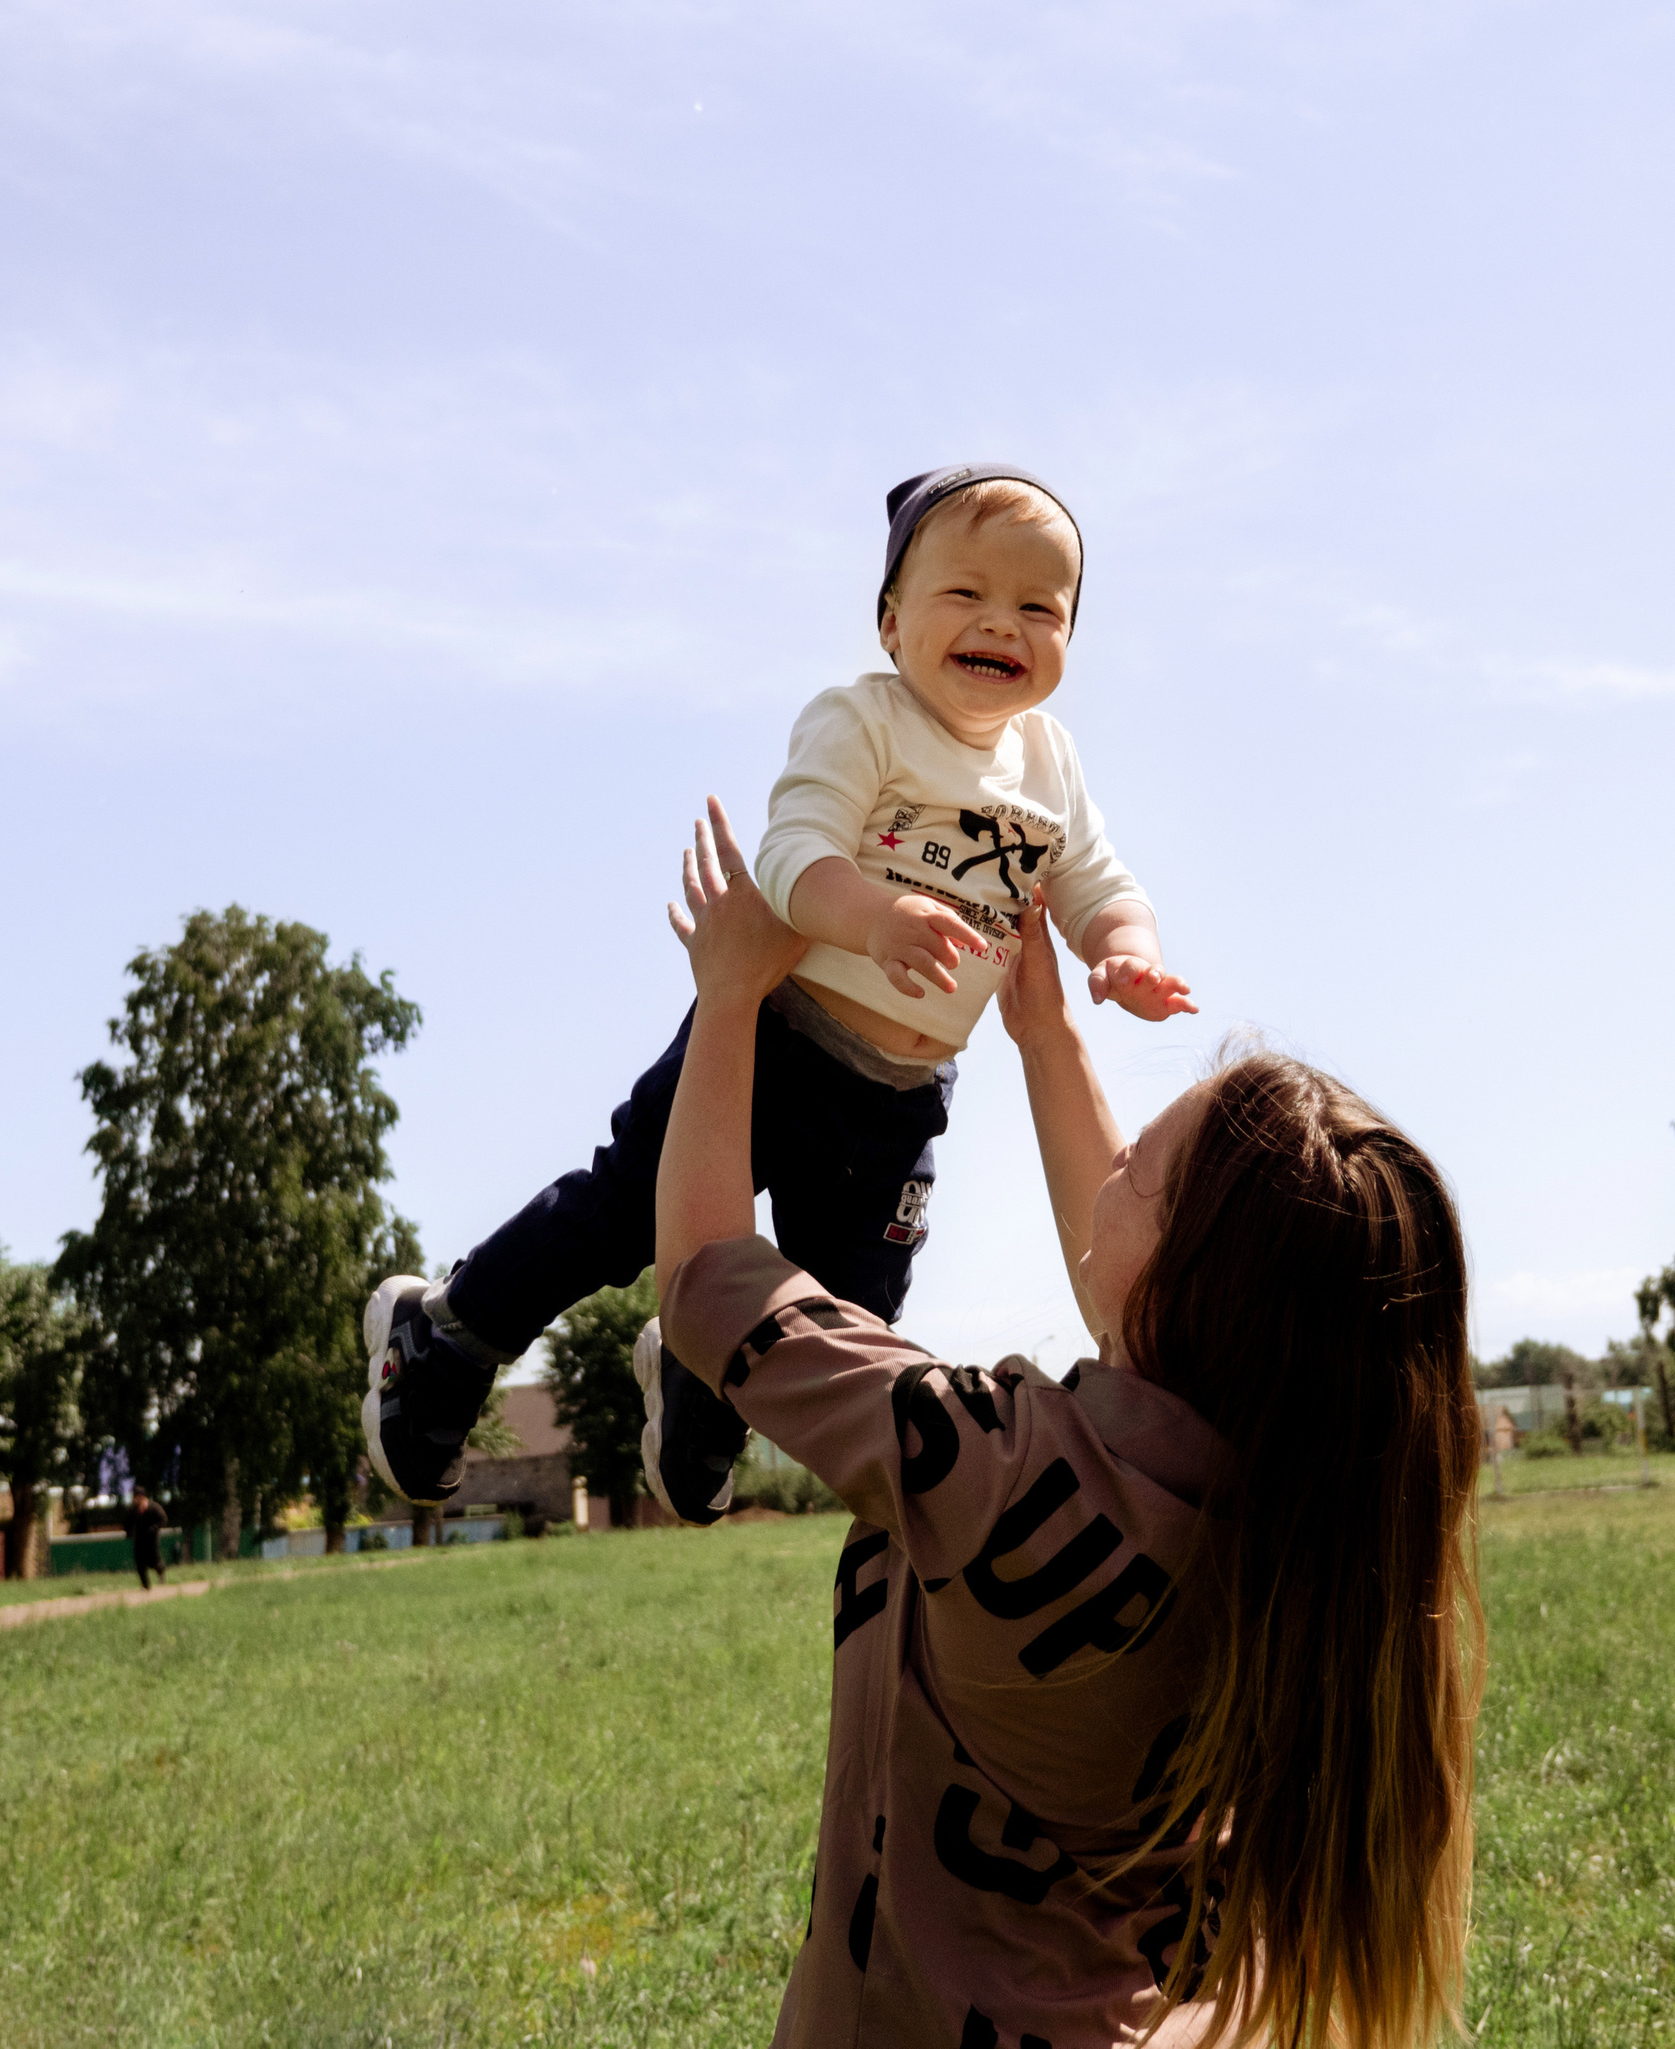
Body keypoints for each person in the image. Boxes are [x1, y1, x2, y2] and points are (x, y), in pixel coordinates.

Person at [646, 802, 1482, 2047]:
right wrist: (1044, 1033)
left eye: (1144, 1157)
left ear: (1186, 1276)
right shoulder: (1309, 1517)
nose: (1116, 1165)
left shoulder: (990, 1462)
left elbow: (709, 1270)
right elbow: (1142, 1303)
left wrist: (729, 994)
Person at [361, 465, 1197, 1523]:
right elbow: (795, 854)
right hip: (775, 1035)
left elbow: (1097, 882)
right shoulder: (865, 721)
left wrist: (1123, 951)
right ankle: (445, 1335)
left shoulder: (1050, 765)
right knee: (623, 1213)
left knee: (852, 1309)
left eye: (1040, 606)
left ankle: (702, 1393)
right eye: (966, 595)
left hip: (902, 1093)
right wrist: (875, 920)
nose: (1003, 622)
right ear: (891, 623)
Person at [127, 1485, 170, 1590]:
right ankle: (146, 1586)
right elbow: (128, 1522)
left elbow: (163, 1519)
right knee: (140, 1563)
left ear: (142, 1496)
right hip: (139, 1539)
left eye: (136, 1496)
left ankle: (161, 1572)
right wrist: (129, 1532)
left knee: (153, 1562)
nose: (135, 1498)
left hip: (151, 1539)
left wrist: (154, 1528)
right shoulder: (133, 1509)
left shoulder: (154, 1507)